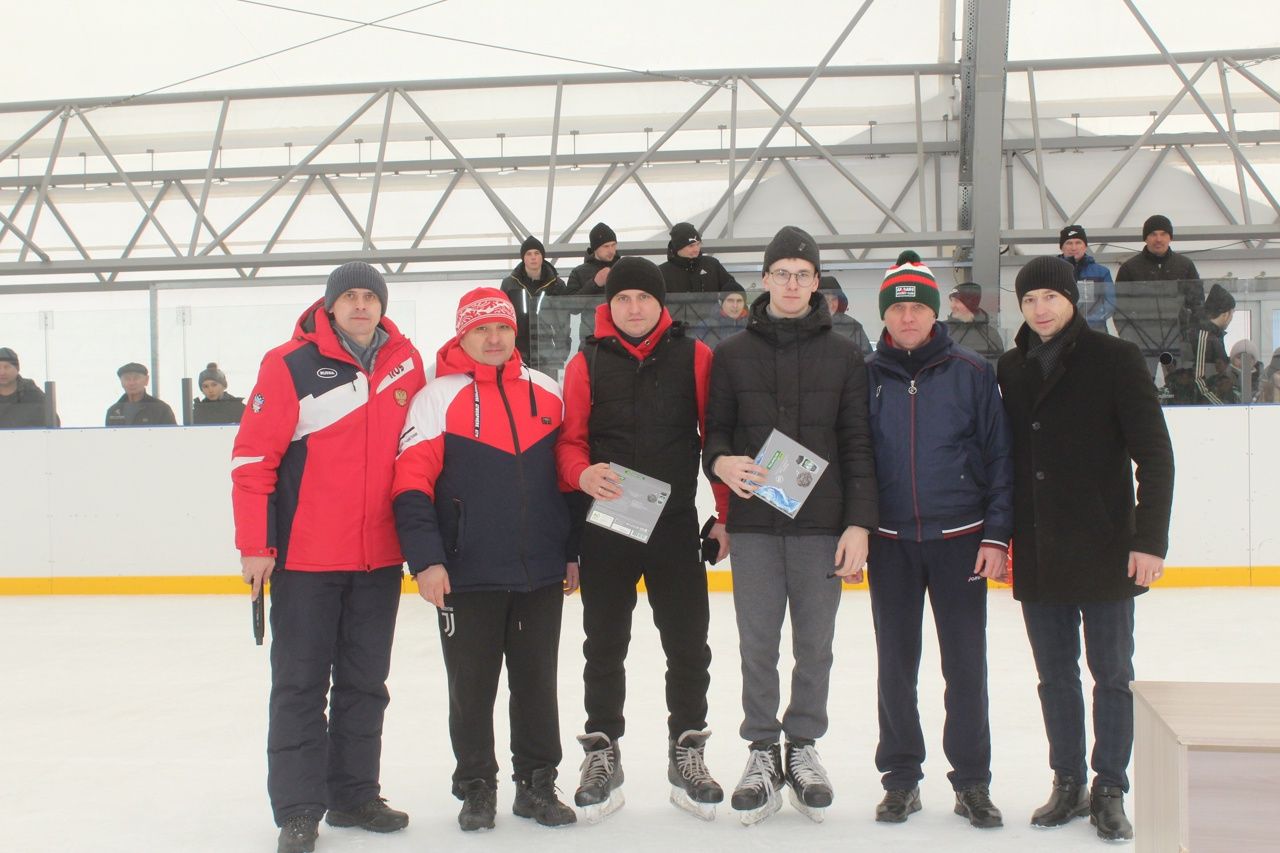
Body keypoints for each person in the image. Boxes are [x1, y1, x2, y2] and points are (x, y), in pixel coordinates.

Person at [231, 261, 425, 853]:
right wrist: (255, 545)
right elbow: (251, 461)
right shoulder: (288, 364)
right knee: (299, 685)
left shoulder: (408, 364)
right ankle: (297, 809)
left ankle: (354, 794)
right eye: (351, 297)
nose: (361, 306)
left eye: (371, 296)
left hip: (378, 558)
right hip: (306, 558)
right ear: (331, 305)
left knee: (366, 683)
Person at [703, 226, 878, 825]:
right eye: (783, 273)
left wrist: (858, 524)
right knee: (757, 645)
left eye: (804, 274)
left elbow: (859, 445)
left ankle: (802, 747)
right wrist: (722, 463)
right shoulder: (730, 355)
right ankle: (760, 750)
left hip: (821, 526)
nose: (793, 284)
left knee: (814, 647)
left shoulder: (846, 353)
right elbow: (715, 435)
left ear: (816, 282)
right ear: (766, 279)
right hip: (753, 524)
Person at [997, 255, 1174, 843]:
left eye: (1049, 297)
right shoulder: (1010, 369)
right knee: (1054, 675)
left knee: (1111, 674)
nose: (1040, 309)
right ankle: (1067, 780)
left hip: (1105, 548)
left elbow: (1155, 456)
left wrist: (1149, 540)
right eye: (1029, 301)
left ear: (1074, 299)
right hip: (1040, 549)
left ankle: (1109, 786)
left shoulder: (1116, 360)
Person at [393, 288, 578, 832]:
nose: (494, 339)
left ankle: (538, 783)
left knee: (537, 682)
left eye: (501, 328)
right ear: (462, 336)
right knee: (471, 687)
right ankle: (476, 787)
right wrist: (426, 560)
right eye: (481, 330)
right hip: (464, 574)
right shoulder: (436, 398)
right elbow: (409, 487)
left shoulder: (546, 392)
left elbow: (565, 482)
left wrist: (570, 553)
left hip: (539, 572)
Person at [556, 256, 729, 822]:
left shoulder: (695, 356)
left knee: (688, 643)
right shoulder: (585, 362)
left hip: (674, 523)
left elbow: (715, 443)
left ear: (661, 304)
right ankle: (603, 749)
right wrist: (581, 474)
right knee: (603, 644)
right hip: (608, 525)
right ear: (609, 305)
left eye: (644, 299)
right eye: (624, 299)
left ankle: (688, 750)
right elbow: (570, 442)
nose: (633, 308)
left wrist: (722, 513)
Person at [864, 252, 1012, 829]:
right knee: (895, 666)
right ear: (884, 314)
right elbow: (852, 460)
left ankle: (972, 781)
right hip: (890, 543)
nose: (908, 317)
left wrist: (997, 534)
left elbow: (999, 459)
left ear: (935, 312)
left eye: (918, 306)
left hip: (960, 540)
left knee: (966, 667)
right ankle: (901, 778)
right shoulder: (866, 375)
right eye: (897, 308)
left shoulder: (973, 372)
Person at [1114, 214, 1204, 371]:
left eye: (1163, 234)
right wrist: (1131, 341)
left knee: (1180, 389)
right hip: (1142, 344)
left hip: (1178, 343)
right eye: (1153, 234)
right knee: (1142, 387)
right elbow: (1120, 309)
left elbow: (1197, 304)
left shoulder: (1185, 266)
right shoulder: (1129, 268)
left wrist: (1189, 336)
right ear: (1146, 238)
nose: (1158, 239)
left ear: (1170, 237)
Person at [499, 235, 574, 375]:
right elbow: (503, 319)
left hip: (547, 352)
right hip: (518, 352)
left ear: (542, 256)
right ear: (523, 258)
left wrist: (560, 352)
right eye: (529, 254)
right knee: (520, 395)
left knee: (547, 394)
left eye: (537, 253)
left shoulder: (557, 285)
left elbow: (563, 321)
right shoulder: (509, 284)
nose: (533, 257)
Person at [567, 222, 620, 344]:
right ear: (595, 248)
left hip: (621, 335)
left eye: (613, 245)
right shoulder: (579, 272)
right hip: (591, 337)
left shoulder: (625, 268)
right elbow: (570, 307)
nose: (611, 250)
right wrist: (594, 283)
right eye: (606, 246)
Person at [1057, 225, 1115, 333]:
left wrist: (1090, 320)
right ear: (1061, 247)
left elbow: (1110, 303)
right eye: (1069, 243)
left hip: (1094, 331)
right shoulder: (1052, 272)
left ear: (1085, 246)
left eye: (1078, 242)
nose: (1074, 248)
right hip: (1061, 332)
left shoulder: (1102, 272)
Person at [1190, 284, 1236, 405]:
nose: (1231, 318)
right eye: (1232, 314)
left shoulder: (1213, 336)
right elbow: (1198, 378)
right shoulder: (1204, 336)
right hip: (1207, 408)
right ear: (1225, 314)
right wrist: (1220, 405)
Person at [944, 281, 1005, 363]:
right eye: (951, 300)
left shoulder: (990, 335)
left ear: (970, 303)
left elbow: (996, 367)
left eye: (957, 301)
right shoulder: (942, 330)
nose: (952, 306)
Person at [0, 347, 58, 428]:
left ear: (17, 369)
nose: (2, 372)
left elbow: (53, 424)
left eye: (7, 367)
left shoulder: (32, 394)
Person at [105, 362, 176, 426]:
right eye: (127, 378)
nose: (131, 383)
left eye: (136, 378)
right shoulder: (113, 411)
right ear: (121, 382)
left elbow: (172, 436)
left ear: (146, 380)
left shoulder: (161, 409)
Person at [819, 276, 872, 356]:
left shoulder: (852, 326)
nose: (831, 304)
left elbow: (867, 359)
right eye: (826, 299)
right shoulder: (803, 324)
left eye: (834, 299)